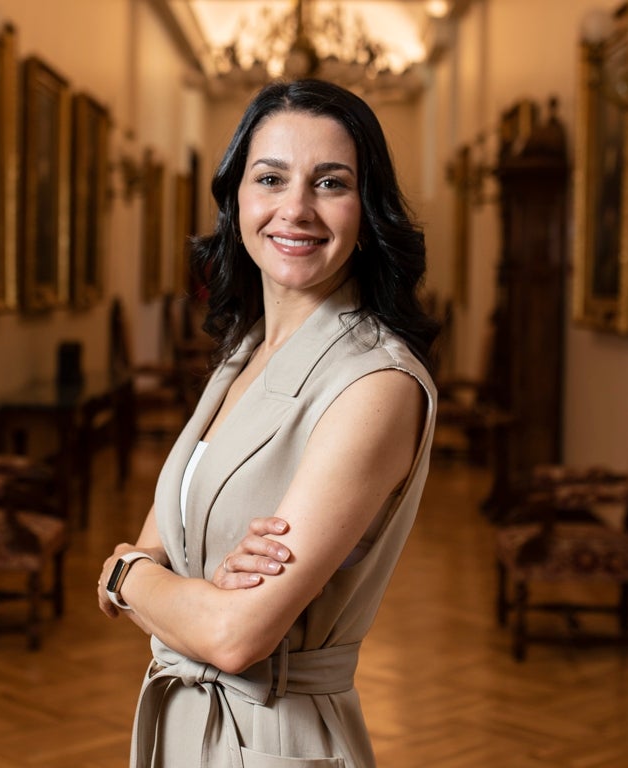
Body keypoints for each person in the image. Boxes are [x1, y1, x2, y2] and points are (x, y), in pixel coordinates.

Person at [97, 78, 440, 767]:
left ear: (366, 210)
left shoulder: (377, 383)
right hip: (180, 728)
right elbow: (158, 542)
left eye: (331, 183)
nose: (296, 209)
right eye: (271, 178)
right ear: (237, 199)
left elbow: (231, 636)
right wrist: (173, 579)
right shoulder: (242, 354)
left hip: (272, 741)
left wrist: (124, 580)